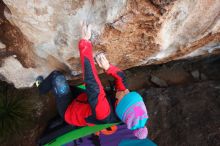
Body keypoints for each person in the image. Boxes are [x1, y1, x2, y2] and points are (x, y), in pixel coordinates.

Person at [36, 22, 149, 139]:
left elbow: (91, 82)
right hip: (82, 100)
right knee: (67, 87)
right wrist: (108, 68)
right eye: (130, 92)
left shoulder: (103, 112)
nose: (125, 91)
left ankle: (40, 88)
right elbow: (122, 78)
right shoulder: (122, 98)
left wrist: (85, 43)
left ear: (119, 106)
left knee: (57, 77)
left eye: (125, 95)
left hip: (69, 111)